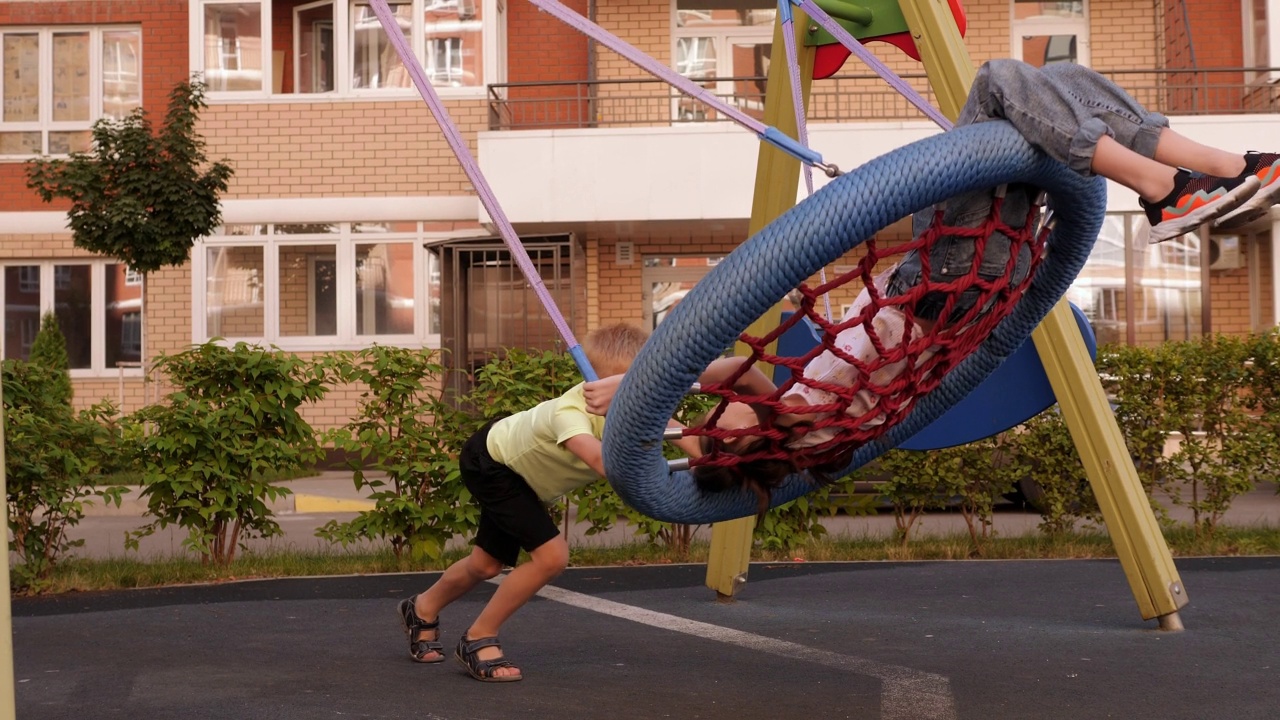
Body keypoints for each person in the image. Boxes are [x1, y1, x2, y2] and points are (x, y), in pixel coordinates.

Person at [585, 59, 1280, 513]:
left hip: (977, 290)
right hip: (940, 287)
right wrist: (654, 395)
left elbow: (736, 371)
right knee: (1000, 85)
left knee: (1057, 85)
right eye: (713, 434)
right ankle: (1167, 187)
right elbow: (725, 390)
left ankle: (1226, 169)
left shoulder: (794, 413)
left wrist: (654, 384)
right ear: (745, 447)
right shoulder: (808, 432)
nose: (712, 419)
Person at [397, 322, 648, 682]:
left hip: (520, 475)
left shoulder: (634, 407)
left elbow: (671, 428)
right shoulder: (570, 413)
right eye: (626, 387)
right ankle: (478, 638)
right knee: (552, 556)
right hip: (491, 463)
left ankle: (421, 608)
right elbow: (605, 463)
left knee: (485, 565)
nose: (636, 397)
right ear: (597, 386)